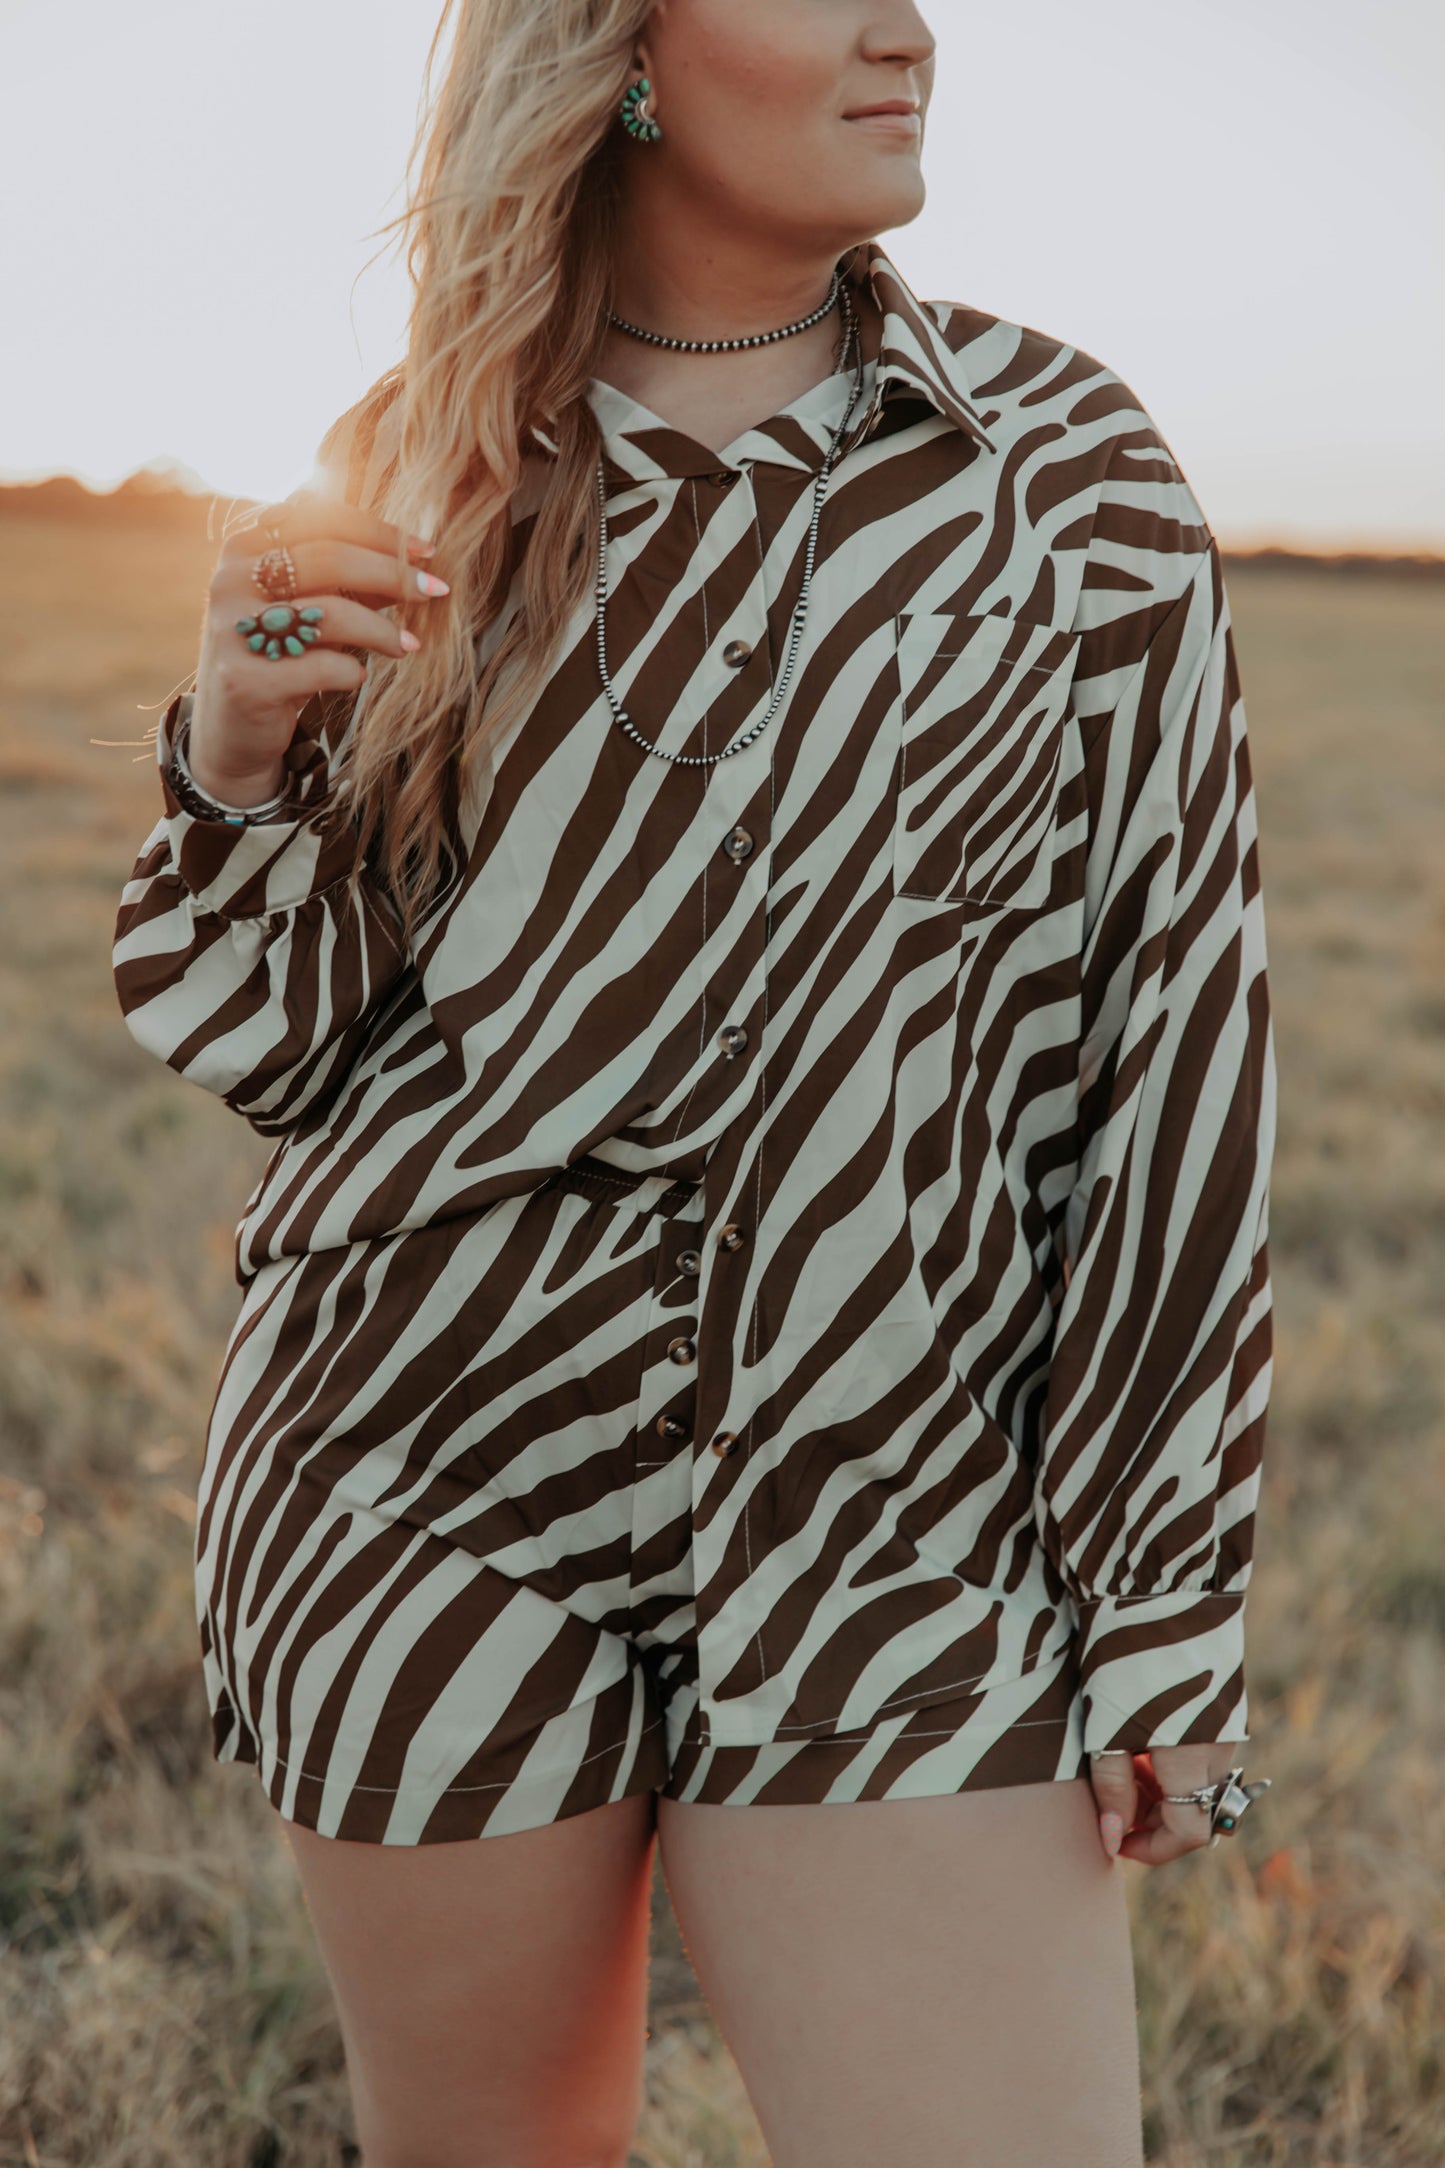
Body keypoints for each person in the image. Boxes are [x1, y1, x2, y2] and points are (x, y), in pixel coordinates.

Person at [111, 2, 1277, 2163]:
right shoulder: (420, 458)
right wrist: (237, 762)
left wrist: (1166, 1607)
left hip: (894, 1511)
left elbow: (1176, 1059)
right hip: (420, 1490)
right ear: (620, 45)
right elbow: (273, 1045)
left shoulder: (1067, 474)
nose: (905, 24)